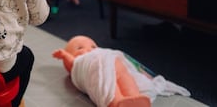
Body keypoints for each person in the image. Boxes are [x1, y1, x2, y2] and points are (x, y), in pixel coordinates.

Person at [53, 36, 190, 107]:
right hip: (94, 67)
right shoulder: (81, 62)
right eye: (79, 48)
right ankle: (117, 102)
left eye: (93, 45)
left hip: (113, 61)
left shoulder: (102, 53)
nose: (89, 49)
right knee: (107, 83)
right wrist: (65, 56)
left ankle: (134, 97)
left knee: (125, 76)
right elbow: (73, 65)